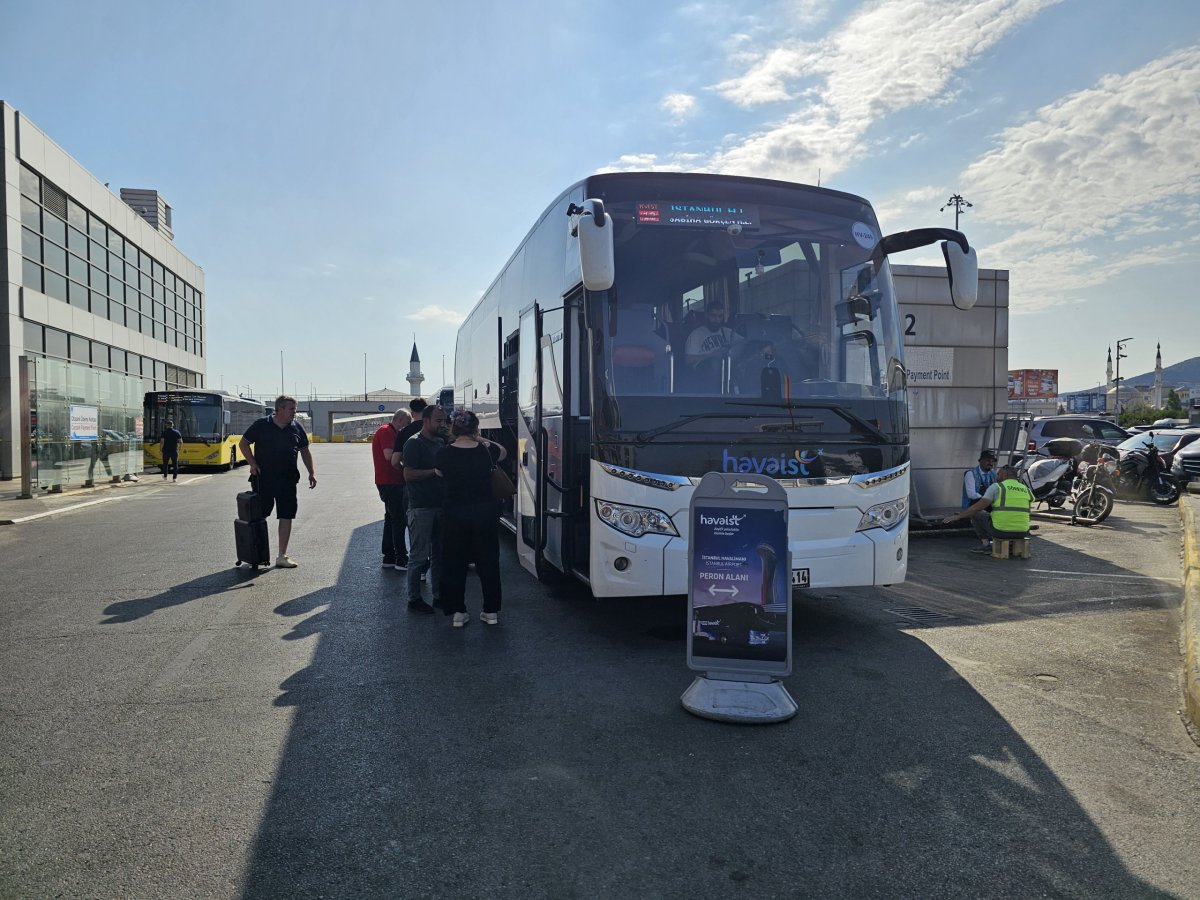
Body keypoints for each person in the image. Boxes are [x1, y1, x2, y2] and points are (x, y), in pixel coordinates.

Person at [435, 410, 507, 627]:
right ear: (475, 429)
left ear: (453, 429)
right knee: (488, 563)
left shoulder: (444, 453)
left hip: (454, 515)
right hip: (484, 514)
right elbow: (503, 452)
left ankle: (458, 612)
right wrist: (480, 439)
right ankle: (490, 611)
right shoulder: (486, 451)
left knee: (454, 564)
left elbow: (439, 474)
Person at [238, 395, 317, 569]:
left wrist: (311, 472)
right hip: (263, 480)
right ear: (280, 409)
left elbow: (304, 451)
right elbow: (243, 444)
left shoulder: (297, 427)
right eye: (291, 409)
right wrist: (252, 463)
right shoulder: (261, 424)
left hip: (288, 480)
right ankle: (255, 553)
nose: (294, 413)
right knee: (259, 516)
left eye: (295, 409)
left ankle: (282, 556)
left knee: (286, 515)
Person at [402, 404, 447, 612]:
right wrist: (434, 472)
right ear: (425, 421)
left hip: (440, 507)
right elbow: (408, 474)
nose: (442, 424)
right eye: (438, 421)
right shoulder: (414, 443)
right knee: (419, 556)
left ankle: (439, 596)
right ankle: (414, 600)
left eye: (444, 420)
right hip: (421, 508)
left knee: (439, 555)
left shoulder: (440, 442)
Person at [942, 464, 1031, 553]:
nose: (997, 476)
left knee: (976, 513)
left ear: (1004, 474)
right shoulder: (1026, 489)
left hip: (1000, 531)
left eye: (998, 474)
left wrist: (958, 516)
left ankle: (986, 544)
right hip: (1024, 532)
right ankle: (1011, 545)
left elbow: (977, 508)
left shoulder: (997, 487)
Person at [372, 409, 411, 570]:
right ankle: (401, 558)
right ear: (400, 420)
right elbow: (389, 456)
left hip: (389, 481)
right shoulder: (387, 431)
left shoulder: (389, 431)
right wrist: (406, 463)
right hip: (390, 482)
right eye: (406, 423)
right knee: (399, 520)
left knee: (391, 518)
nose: (406, 427)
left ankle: (389, 556)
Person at [684, 300, 740, 389]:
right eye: (713, 316)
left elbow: (744, 343)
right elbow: (688, 360)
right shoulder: (696, 334)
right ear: (707, 315)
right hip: (703, 372)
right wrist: (712, 354)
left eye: (720, 316)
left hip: (727, 367)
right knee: (714, 363)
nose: (717, 320)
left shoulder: (727, 332)